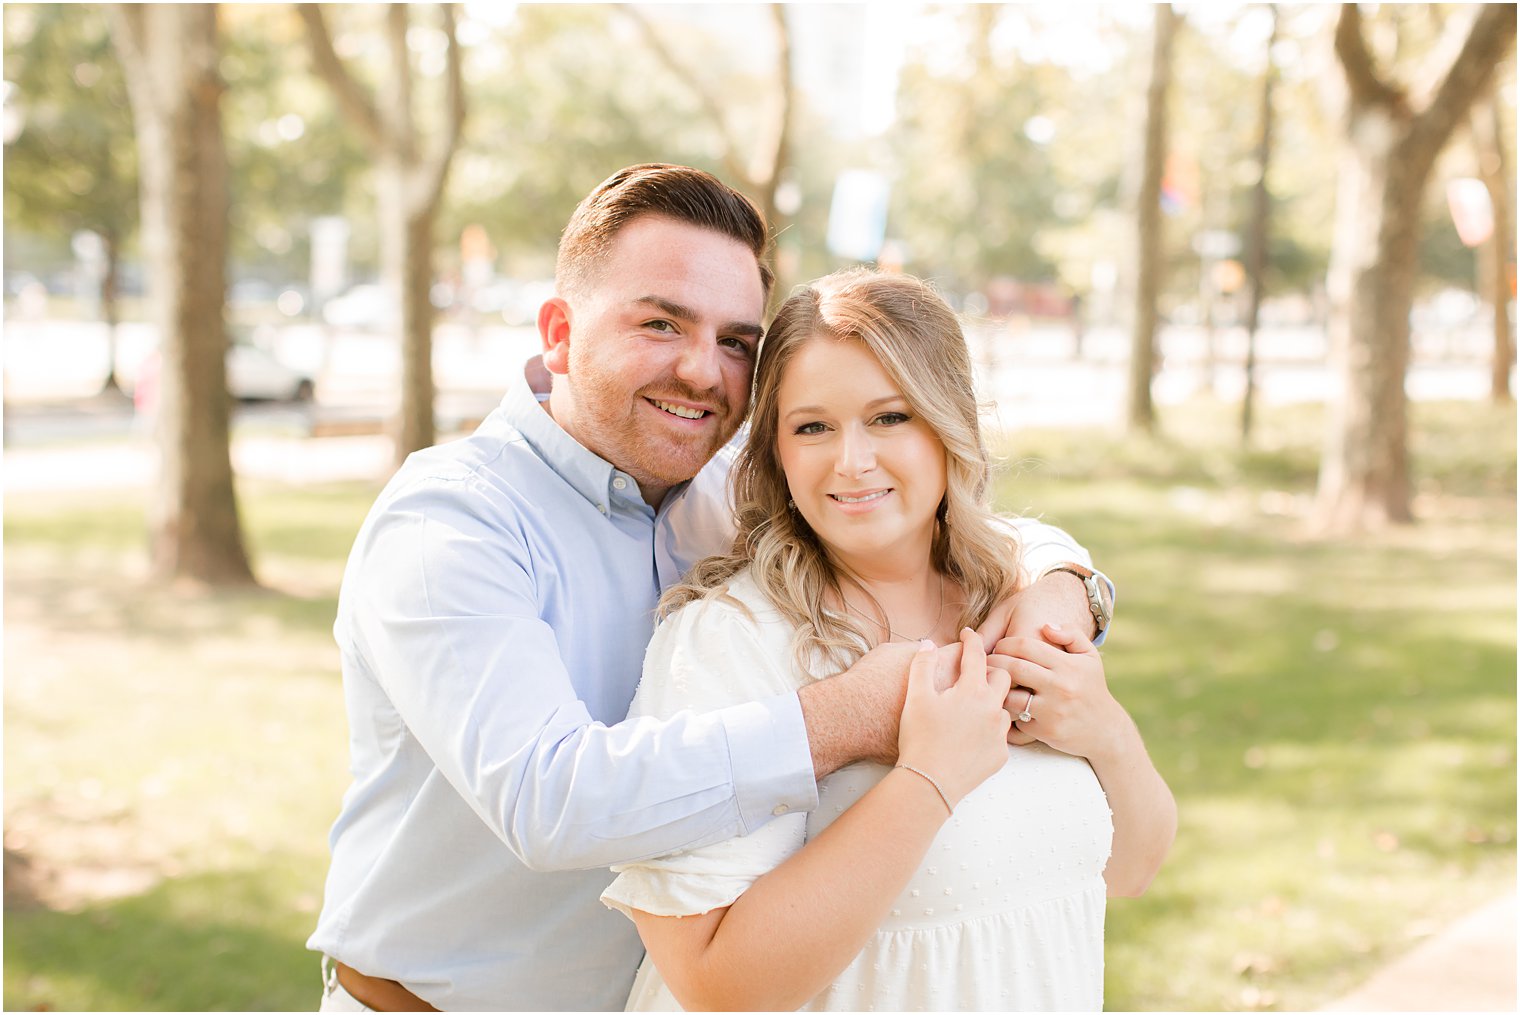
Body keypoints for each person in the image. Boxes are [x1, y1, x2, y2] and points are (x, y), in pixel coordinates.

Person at [308, 165, 1113, 1011]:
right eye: (661, 323)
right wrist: (842, 718)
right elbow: (551, 798)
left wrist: (1068, 586)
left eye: (736, 342)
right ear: (558, 331)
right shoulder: (451, 526)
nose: (702, 372)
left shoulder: (719, 485)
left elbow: (936, 510)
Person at [602, 269, 1176, 1011]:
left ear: (948, 420)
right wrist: (927, 781)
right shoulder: (731, 641)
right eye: (813, 426)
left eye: (889, 417)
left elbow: (1128, 869)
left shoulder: (1016, 596)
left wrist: (1107, 730)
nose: (852, 460)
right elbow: (713, 984)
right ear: (776, 452)